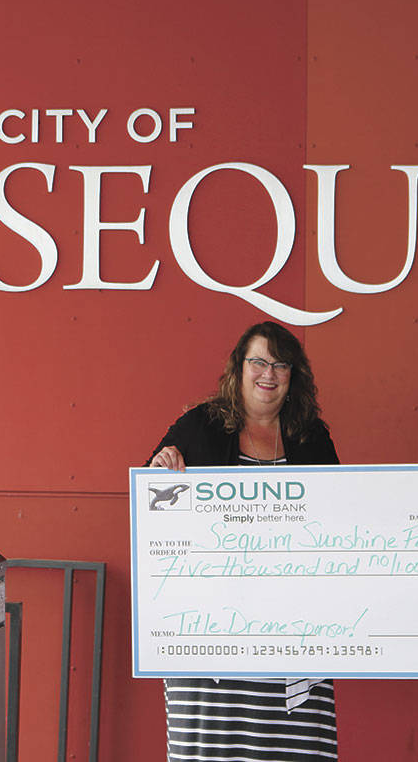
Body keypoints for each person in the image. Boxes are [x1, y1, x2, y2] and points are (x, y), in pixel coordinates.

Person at [148, 321, 340, 760]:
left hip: (293, 635)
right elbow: (154, 505)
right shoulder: (199, 426)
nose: (267, 373)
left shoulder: (312, 437)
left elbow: (336, 520)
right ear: (239, 369)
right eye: (258, 361)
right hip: (210, 637)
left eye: (280, 364)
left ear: (294, 377)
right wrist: (160, 468)